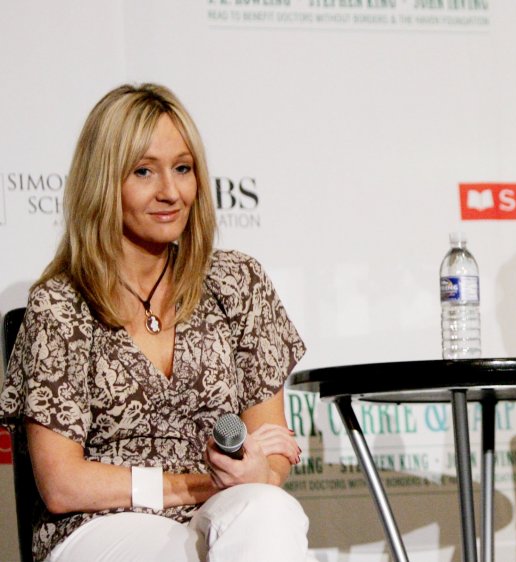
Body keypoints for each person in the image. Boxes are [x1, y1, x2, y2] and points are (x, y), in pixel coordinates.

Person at [0, 83, 311, 561]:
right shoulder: (61, 305)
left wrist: (259, 473)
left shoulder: (237, 282)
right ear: (103, 182)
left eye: (183, 169)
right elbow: (62, 484)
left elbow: (271, 452)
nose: (170, 192)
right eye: (144, 171)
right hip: (98, 528)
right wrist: (193, 485)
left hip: (219, 513)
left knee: (270, 510)